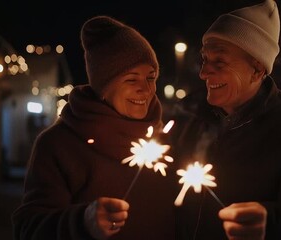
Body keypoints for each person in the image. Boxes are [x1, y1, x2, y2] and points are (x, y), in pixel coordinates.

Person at [171, 0, 281, 239]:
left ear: (257, 70)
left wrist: (271, 223)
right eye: (204, 59)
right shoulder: (191, 122)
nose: (204, 72)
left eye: (220, 62)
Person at [12, 16, 176, 239]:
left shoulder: (164, 140)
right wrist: (82, 221)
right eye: (131, 79)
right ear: (103, 86)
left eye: (151, 77)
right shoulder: (58, 145)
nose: (146, 90)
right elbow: (27, 230)